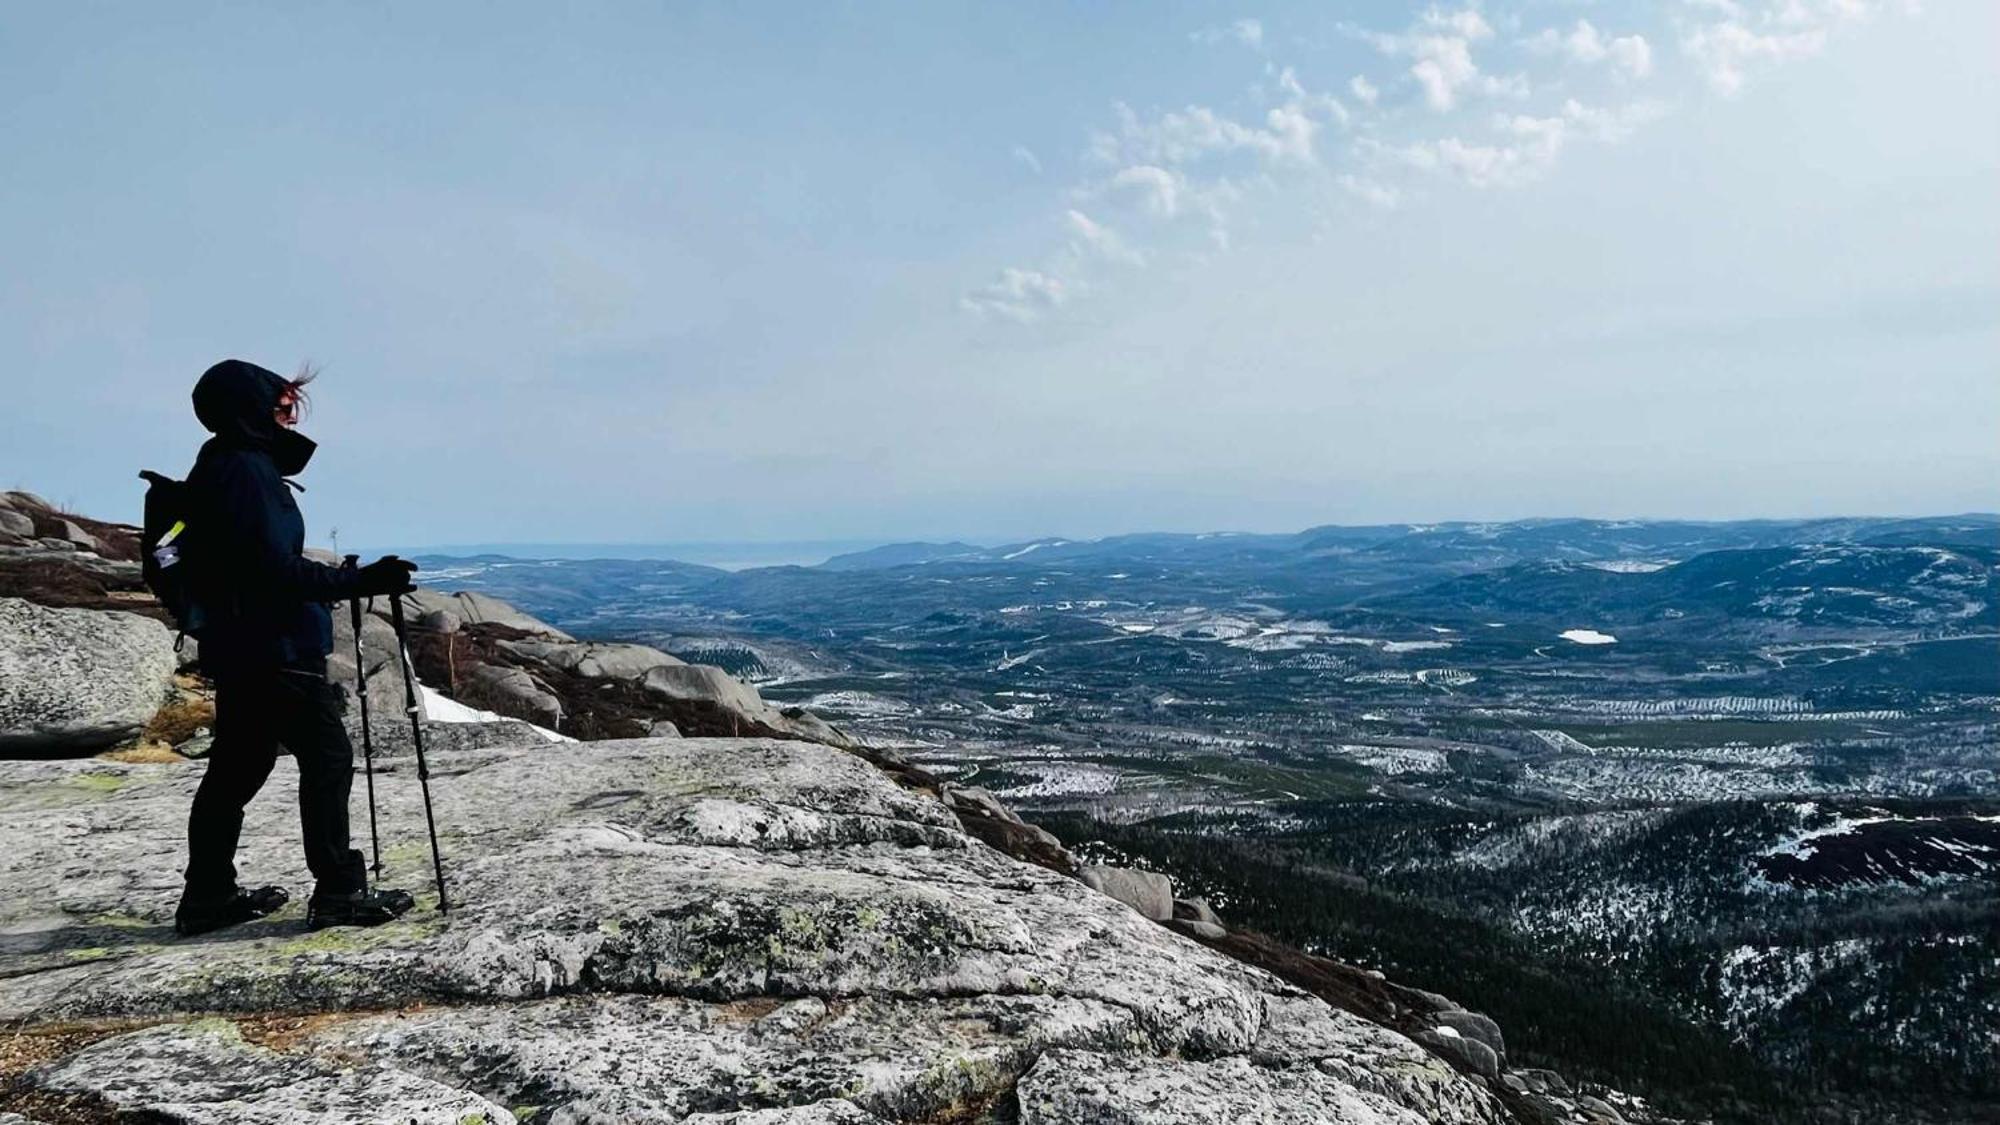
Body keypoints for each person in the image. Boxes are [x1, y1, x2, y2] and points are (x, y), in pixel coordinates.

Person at [174, 359, 421, 936]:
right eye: (281, 405)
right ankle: (338, 891)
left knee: (238, 768)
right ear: (251, 410)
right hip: (272, 647)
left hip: (242, 645)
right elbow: (273, 573)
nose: (290, 415)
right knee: (326, 758)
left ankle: (207, 896)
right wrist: (358, 581)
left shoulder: (226, 464)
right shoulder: (245, 471)